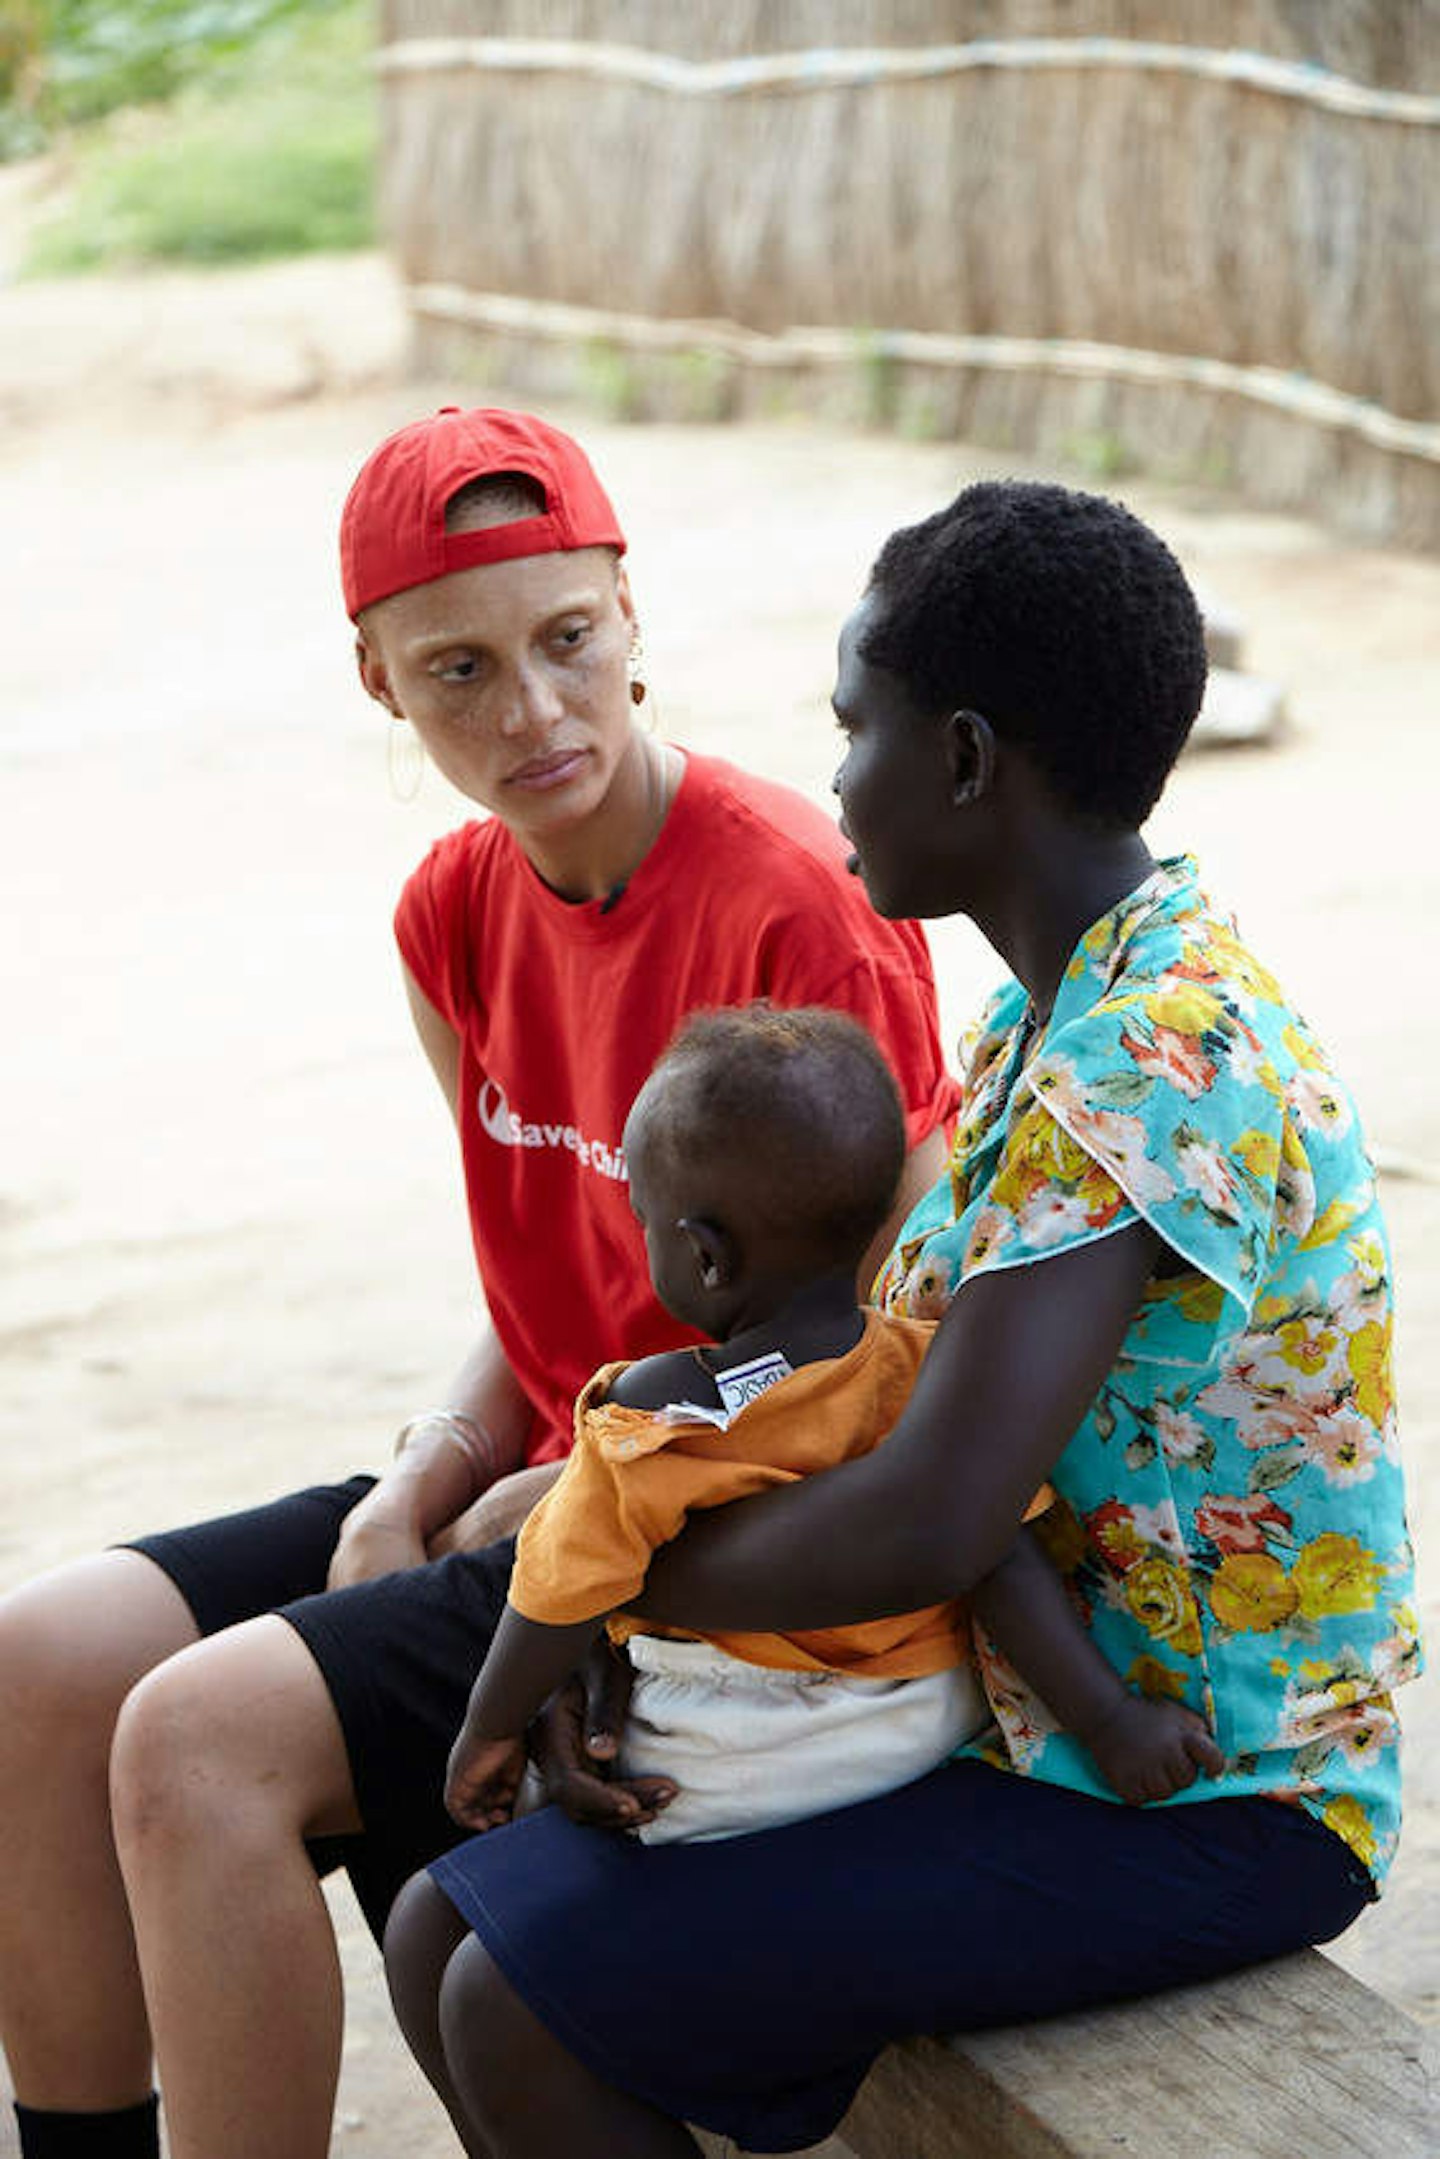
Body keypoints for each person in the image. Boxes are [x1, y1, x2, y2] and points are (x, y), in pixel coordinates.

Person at [381, 478, 1422, 2159]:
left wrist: (599, 1587)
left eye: (854, 725)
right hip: (1037, 1719)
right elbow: (848, 1384)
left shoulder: (1151, 1059)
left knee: (523, 1989)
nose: (836, 772)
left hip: (1215, 1793)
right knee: (447, 1924)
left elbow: (939, 1507)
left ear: (961, 759)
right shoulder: (1052, 1015)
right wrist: (604, 1593)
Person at [0, 407, 964, 2159]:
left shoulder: (799, 911)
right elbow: (542, 1269)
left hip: (694, 1519)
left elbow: (881, 1345)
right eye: (459, 668)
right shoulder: (450, 908)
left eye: (567, 641)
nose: (531, 711)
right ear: (378, 682)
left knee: (193, 1747)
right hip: (517, 1489)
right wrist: (427, 1465)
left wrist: (555, 1485)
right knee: (40, 1658)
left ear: (628, 610)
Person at [442, 1001, 1221, 1854]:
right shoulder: (929, 1369)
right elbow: (1001, 1552)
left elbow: (557, 1581)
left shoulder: (660, 1407)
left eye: (641, 1218)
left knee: (505, 1840)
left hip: (737, 1749)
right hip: (916, 1722)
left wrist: (489, 1728)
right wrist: (1110, 1722)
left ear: (705, 1256)